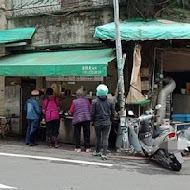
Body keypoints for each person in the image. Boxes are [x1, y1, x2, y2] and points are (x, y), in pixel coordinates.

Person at [91, 84, 115, 160]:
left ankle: (97, 151)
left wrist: (92, 120)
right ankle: (104, 154)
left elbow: (92, 113)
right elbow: (113, 113)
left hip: (97, 123)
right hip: (107, 122)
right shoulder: (111, 102)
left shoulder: (94, 102)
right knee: (105, 138)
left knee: (98, 137)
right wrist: (111, 119)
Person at [69, 88, 91, 153]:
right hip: (86, 118)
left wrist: (72, 113)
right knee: (86, 133)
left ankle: (78, 148)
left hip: (77, 119)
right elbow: (90, 109)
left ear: (77, 95)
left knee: (77, 134)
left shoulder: (74, 101)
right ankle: (87, 148)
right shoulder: (87, 101)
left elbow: (71, 111)